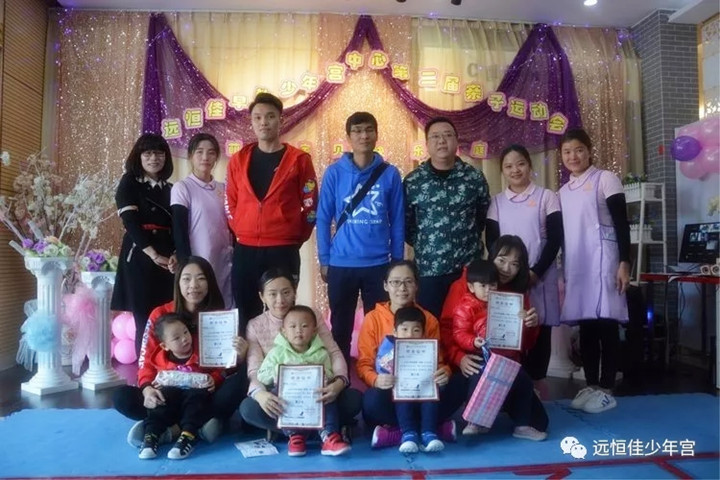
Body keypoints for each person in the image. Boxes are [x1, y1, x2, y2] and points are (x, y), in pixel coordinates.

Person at [113, 256, 248, 447]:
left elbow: (225, 368)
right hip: (167, 394)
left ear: (210, 282)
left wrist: (238, 358)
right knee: (121, 397)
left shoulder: (220, 318)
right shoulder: (160, 315)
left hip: (202, 395)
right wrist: (147, 389)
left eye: (201, 278)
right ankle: (197, 425)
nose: (194, 285)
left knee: (242, 380)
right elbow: (146, 361)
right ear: (178, 282)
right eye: (186, 279)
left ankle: (165, 428)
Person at [225, 92, 318, 335]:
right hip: (245, 249)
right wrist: (241, 229)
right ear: (251, 122)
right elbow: (230, 201)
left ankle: (285, 358)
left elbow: (310, 204)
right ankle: (250, 359)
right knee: (246, 311)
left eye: (270, 116)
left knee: (284, 313)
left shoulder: (299, 160)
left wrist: (296, 236)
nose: (263, 122)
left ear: (281, 120)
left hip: (283, 249)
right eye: (257, 117)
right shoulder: (238, 160)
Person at [440, 236, 549, 440]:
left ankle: (503, 407)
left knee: (539, 422)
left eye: (515, 264)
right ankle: (476, 416)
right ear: (491, 257)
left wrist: (530, 326)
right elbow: (447, 329)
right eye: (502, 260)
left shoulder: (518, 294)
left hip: (505, 365)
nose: (507, 268)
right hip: (471, 362)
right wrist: (459, 358)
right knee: (438, 412)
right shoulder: (466, 284)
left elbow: (524, 345)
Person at [317, 111, 404, 365]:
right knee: (340, 327)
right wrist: (325, 259)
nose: (363, 136)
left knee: (380, 326)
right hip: (341, 263)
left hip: (379, 264)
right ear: (348, 137)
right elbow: (323, 218)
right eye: (357, 131)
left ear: (376, 135)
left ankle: (379, 375)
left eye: (368, 130)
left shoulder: (390, 174)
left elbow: (398, 220)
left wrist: (397, 261)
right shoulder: (334, 173)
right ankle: (341, 376)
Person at [239, 268, 362, 441]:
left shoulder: (311, 315)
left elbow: (333, 352)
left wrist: (339, 383)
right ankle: (320, 430)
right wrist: (261, 395)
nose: (280, 300)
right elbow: (254, 370)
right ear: (262, 297)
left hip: (317, 394)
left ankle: (296, 432)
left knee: (353, 399)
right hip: (283, 398)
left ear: (294, 292)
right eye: (272, 294)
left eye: (286, 292)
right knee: (248, 408)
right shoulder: (255, 325)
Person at [558, 128, 630, 414]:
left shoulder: (605, 179)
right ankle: (590, 385)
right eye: (567, 152)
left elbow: (622, 223)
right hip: (577, 263)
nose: (573, 156)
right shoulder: (562, 192)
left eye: (578, 150)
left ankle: (606, 388)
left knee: (607, 323)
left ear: (589, 151)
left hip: (605, 261)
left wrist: (625, 262)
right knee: (586, 325)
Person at [357, 260, 465, 449]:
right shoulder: (372, 319)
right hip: (392, 394)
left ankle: (400, 433)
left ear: (416, 285)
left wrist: (444, 373)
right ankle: (428, 430)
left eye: (408, 282)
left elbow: (439, 361)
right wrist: (376, 379)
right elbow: (364, 363)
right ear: (385, 285)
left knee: (459, 384)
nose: (402, 288)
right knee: (371, 401)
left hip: (424, 392)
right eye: (395, 282)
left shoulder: (429, 319)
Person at [485, 144, 563, 388]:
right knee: (511, 331)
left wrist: (535, 272)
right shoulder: (497, 202)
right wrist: (506, 272)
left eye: (520, 164)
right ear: (502, 171)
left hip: (539, 275)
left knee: (539, 328)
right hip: (507, 278)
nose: (515, 170)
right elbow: (492, 242)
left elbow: (555, 239)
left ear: (529, 165)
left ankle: (537, 387)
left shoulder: (546, 197)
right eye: (508, 166)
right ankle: (511, 389)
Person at [404, 117, 491, 318]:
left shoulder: (473, 177)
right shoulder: (413, 181)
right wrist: (428, 245)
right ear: (427, 144)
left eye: (447, 135)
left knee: (469, 324)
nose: (442, 141)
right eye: (435, 136)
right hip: (430, 270)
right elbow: (407, 224)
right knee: (431, 325)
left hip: (468, 269)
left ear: (456, 141)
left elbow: (482, 216)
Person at [111, 133, 176, 355]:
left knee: (168, 316)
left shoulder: (171, 188)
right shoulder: (129, 182)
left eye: (159, 153)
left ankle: (167, 366)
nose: (153, 158)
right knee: (144, 317)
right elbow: (130, 222)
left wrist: (175, 254)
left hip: (168, 259)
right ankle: (145, 370)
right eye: (147, 153)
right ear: (138, 157)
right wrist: (153, 254)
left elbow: (177, 225)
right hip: (141, 254)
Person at [256, 305, 351, 457]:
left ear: (314, 331)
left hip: (314, 396)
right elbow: (261, 375)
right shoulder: (276, 353)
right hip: (289, 396)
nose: (298, 331)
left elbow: (329, 373)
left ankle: (329, 436)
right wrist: (278, 372)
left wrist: (323, 377)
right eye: (292, 327)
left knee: (328, 397)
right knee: (276, 398)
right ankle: (295, 437)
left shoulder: (321, 353)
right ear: (283, 331)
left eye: (304, 326)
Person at [137, 313, 223, 460]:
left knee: (196, 398)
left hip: (195, 397)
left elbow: (219, 369)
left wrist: (214, 379)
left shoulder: (202, 351)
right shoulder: (159, 359)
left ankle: (188, 435)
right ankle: (151, 435)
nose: (184, 338)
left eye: (185, 332)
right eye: (176, 338)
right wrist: (150, 388)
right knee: (161, 398)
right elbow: (147, 371)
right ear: (164, 346)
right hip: (171, 398)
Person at [171, 133, 234, 308]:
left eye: (211, 152)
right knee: (199, 304)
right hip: (198, 259)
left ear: (216, 157)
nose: (205, 157)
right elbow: (179, 229)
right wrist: (185, 264)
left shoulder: (223, 188)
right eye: (199, 152)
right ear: (191, 156)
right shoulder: (182, 188)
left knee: (223, 302)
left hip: (224, 258)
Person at [375, 306, 444, 453]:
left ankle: (429, 433)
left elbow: (437, 365)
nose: (410, 334)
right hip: (402, 388)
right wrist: (388, 373)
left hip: (423, 388)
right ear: (395, 332)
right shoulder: (389, 345)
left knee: (432, 396)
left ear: (423, 333)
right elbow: (381, 366)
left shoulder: (428, 347)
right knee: (402, 400)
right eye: (404, 329)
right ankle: (408, 434)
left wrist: (438, 374)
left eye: (416, 330)